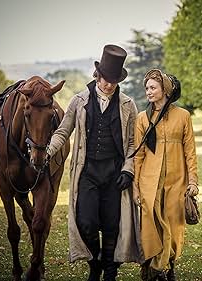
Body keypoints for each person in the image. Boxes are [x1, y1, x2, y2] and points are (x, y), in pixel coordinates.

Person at [46, 44, 143, 281]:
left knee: (112, 223)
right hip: (87, 170)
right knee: (86, 221)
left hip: (114, 171)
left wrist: (128, 170)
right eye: (105, 79)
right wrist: (47, 151)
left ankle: (110, 271)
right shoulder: (79, 101)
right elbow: (63, 131)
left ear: (118, 80)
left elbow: (132, 143)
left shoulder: (128, 105)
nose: (108, 84)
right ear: (97, 75)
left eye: (113, 80)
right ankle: (95, 263)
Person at [132, 69, 199, 281]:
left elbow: (190, 152)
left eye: (153, 88)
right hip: (149, 182)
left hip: (177, 181)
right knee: (151, 223)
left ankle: (169, 264)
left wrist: (193, 181)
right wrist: (135, 185)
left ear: (165, 90)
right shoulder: (143, 118)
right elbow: (139, 155)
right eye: (147, 88)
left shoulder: (183, 117)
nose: (148, 92)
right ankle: (154, 266)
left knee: (174, 223)